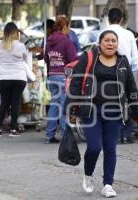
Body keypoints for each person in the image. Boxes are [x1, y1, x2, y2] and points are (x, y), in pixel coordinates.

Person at [66, 30, 138, 198]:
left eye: (114, 40)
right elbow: (76, 83)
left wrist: (137, 109)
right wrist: (71, 107)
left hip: (114, 112)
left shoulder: (122, 61)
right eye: (107, 40)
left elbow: (131, 87)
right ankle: (88, 175)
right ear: (100, 43)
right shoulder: (88, 58)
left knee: (110, 148)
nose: (110, 43)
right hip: (91, 110)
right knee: (94, 147)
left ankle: (108, 184)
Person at [105, 8, 138, 144]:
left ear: (108, 18)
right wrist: (131, 73)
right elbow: (135, 58)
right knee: (129, 101)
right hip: (126, 72)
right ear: (121, 19)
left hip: (107, 72)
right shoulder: (129, 34)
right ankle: (127, 135)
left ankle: (114, 134)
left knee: (111, 102)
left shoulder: (102, 33)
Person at [44, 16, 78, 144]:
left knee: (54, 105)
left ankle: (49, 135)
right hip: (63, 77)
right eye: (68, 27)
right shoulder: (66, 41)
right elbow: (73, 59)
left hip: (52, 76)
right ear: (65, 27)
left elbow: (47, 59)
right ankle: (65, 135)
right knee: (64, 106)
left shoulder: (49, 41)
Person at [0, 22, 29, 137]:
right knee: (15, 103)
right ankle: (13, 130)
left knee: (4, 103)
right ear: (15, 33)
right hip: (19, 77)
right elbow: (25, 58)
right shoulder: (20, 45)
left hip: (4, 77)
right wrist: (23, 35)